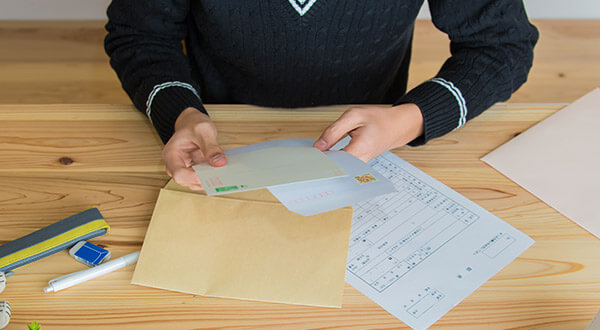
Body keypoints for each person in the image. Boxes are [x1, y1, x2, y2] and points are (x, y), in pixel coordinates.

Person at [105, 0, 538, 190]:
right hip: (218, 131)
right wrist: (178, 112)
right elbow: (140, 34)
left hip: (367, 142)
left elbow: (502, 44)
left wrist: (412, 118)